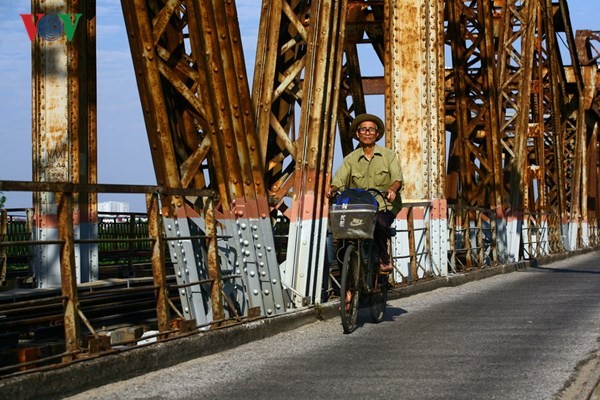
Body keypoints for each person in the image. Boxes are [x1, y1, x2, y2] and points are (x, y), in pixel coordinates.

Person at [327, 113, 403, 273]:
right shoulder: (350, 159)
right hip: (360, 208)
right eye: (363, 130)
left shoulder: (388, 156)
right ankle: (347, 286)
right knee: (342, 239)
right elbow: (339, 179)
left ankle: (383, 257)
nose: (367, 133)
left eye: (371, 130)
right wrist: (332, 188)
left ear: (377, 134)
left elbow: (397, 178)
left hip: (384, 205)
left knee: (379, 224)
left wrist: (392, 189)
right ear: (357, 134)